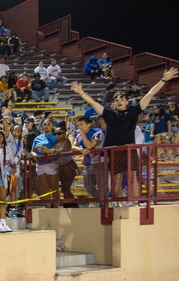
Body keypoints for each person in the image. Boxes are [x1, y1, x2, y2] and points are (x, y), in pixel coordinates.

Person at [71, 69, 177, 204]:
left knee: (133, 176)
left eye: (122, 98)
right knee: (116, 178)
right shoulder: (109, 114)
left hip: (129, 149)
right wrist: (81, 92)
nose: (119, 101)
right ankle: (118, 202)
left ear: (127, 101)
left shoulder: (134, 111)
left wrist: (163, 79)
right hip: (114, 151)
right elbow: (93, 103)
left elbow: (151, 93)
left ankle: (134, 201)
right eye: (117, 99)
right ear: (114, 103)